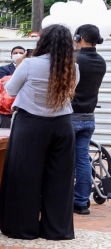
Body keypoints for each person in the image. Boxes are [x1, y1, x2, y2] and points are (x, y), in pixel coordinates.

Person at [0, 24, 78, 240]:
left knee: (24, 176)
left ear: (43, 42)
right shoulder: (73, 68)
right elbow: (70, 94)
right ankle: (57, 230)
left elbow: (11, 90)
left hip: (30, 124)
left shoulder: (30, 64)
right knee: (60, 179)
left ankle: (23, 228)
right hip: (62, 125)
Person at [71, 24, 106, 215]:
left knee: (63, 159)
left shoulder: (74, 59)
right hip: (88, 116)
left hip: (70, 116)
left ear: (79, 37)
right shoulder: (101, 61)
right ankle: (81, 202)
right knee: (83, 159)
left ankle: (62, 199)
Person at [0, 46, 26, 128]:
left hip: (22, 105)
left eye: (21, 53)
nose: (18, 55)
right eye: (15, 53)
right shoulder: (3, 69)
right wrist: (18, 67)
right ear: (11, 56)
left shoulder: (29, 68)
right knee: (5, 129)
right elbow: (4, 84)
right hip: (6, 105)